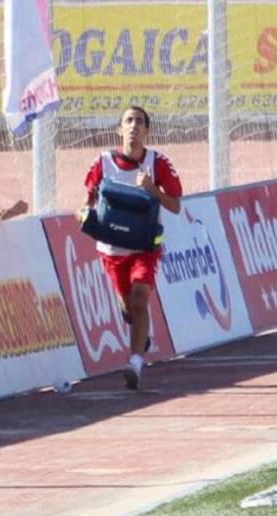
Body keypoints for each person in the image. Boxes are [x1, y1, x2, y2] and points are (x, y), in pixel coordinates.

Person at [79, 106, 182, 389]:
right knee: (128, 308)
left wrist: (152, 189)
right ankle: (141, 334)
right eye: (128, 121)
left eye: (139, 121)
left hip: (145, 247)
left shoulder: (157, 162)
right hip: (112, 249)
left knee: (140, 300)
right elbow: (88, 200)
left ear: (147, 130)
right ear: (119, 129)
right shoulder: (103, 162)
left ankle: (135, 363)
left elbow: (175, 206)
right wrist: (85, 214)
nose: (133, 126)